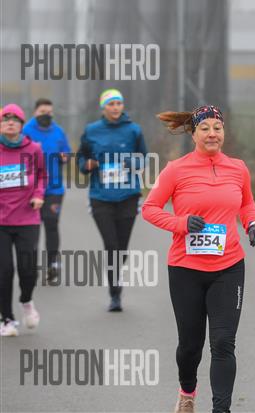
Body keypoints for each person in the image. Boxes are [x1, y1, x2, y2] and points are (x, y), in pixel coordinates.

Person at [142, 105, 255, 413]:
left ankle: (220, 409)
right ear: (194, 134)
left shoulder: (238, 168)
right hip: (186, 268)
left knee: (223, 342)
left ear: (224, 132)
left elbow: (247, 203)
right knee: (190, 346)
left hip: (228, 266)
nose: (212, 134)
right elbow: (150, 209)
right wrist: (181, 223)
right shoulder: (175, 170)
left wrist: (253, 224)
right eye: (205, 128)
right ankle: (187, 392)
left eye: (217, 128)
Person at [77, 88, 147, 311]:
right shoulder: (92, 130)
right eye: (111, 104)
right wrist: (86, 165)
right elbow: (81, 158)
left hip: (128, 195)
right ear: (103, 108)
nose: (115, 108)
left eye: (118, 103)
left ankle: (115, 281)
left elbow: (144, 158)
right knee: (111, 245)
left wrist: (131, 163)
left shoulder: (134, 130)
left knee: (121, 248)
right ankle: (114, 294)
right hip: (101, 196)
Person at [0, 104, 47, 336]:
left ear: (21, 124)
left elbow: (41, 175)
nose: (10, 123)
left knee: (28, 270)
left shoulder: (34, 149)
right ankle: (7, 319)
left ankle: (26, 301)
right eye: (5, 119)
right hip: (1, 221)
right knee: (4, 270)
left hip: (27, 218)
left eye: (15, 120)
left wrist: (38, 195)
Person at [23, 98, 72, 283]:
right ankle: (30, 265)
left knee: (51, 224)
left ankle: (53, 264)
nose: (47, 115)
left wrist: (65, 156)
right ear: (35, 112)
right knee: (32, 228)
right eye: (43, 112)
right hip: (30, 189)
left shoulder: (58, 131)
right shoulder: (26, 131)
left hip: (54, 189)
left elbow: (67, 152)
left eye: (50, 112)